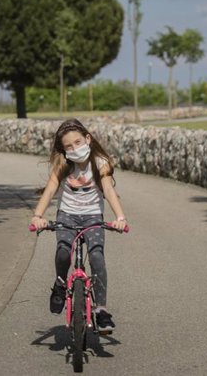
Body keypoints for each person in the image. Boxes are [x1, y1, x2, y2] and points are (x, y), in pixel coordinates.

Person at [30, 118, 128, 333]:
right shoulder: (63, 164)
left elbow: (109, 191)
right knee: (63, 251)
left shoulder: (99, 162)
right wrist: (38, 216)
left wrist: (120, 218)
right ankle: (60, 283)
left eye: (78, 142)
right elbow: (50, 189)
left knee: (96, 256)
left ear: (88, 139)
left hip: (93, 216)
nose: (74, 148)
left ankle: (101, 310)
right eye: (68, 146)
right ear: (63, 150)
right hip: (67, 216)